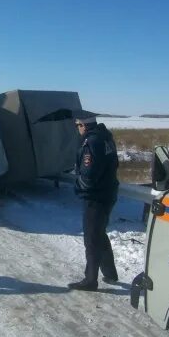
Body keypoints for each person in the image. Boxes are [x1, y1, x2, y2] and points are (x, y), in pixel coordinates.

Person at [68, 110, 120, 291]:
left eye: (78, 126)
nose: (77, 129)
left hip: (95, 197)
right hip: (108, 192)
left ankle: (90, 280)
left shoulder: (91, 142)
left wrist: (79, 186)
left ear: (83, 125)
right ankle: (110, 272)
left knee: (91, 238)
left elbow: (88, 175)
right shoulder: (106, 138)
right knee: (99, 233)